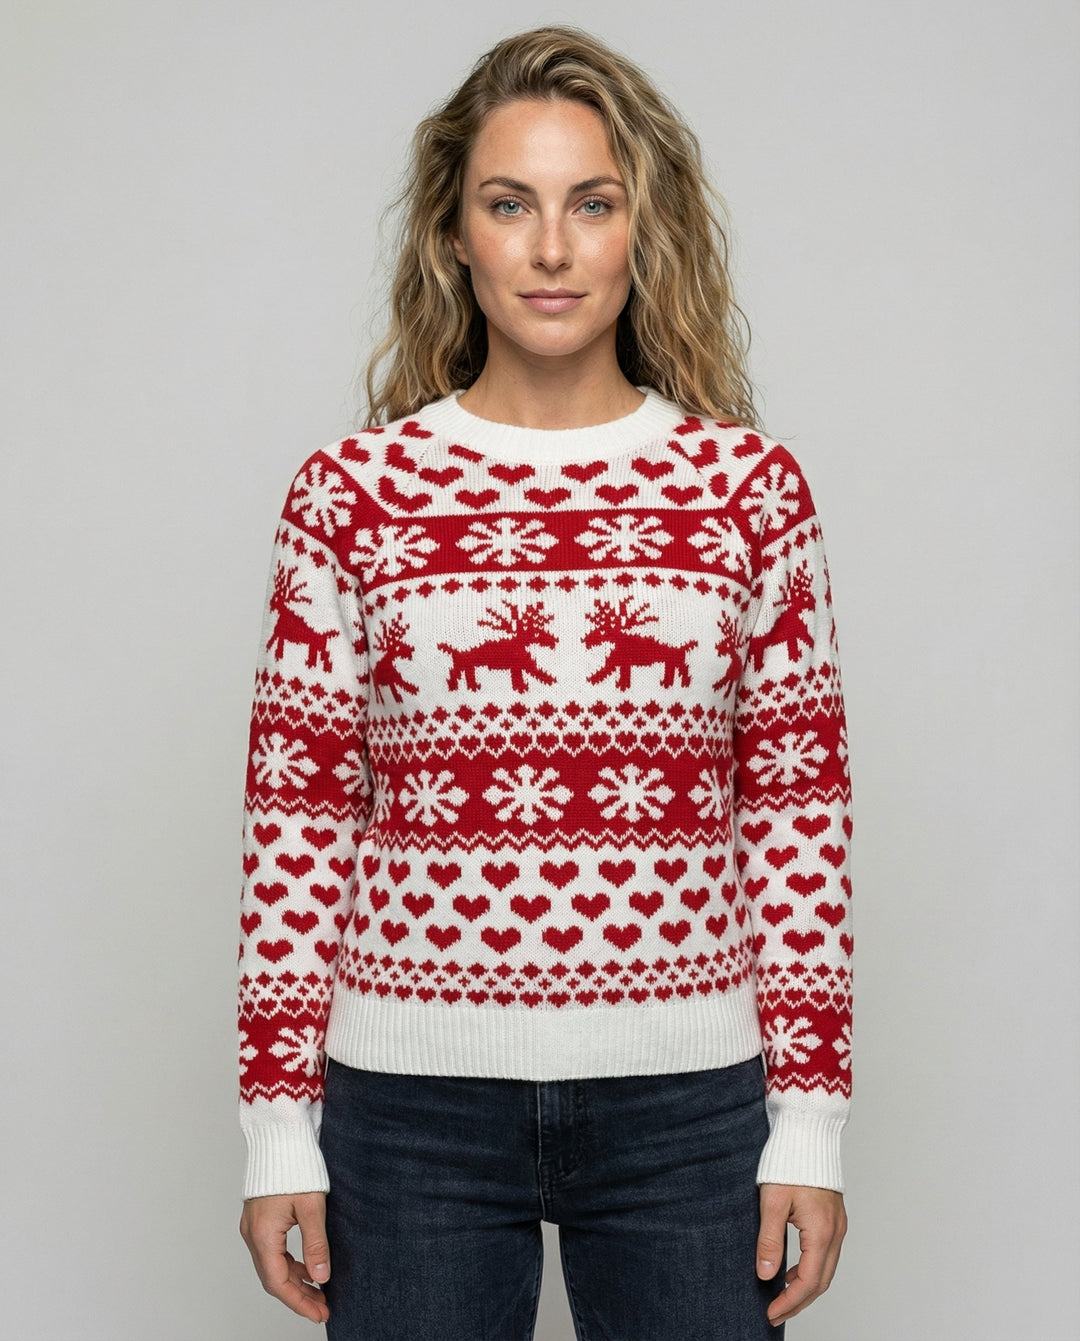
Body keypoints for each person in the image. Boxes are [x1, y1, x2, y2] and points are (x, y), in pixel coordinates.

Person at [237, 24, 852, 1340]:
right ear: (454, 237)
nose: (553, 248)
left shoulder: (746, 493)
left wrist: (810, 1124)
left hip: (688, 1108)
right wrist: (277, 1130)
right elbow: (298, 819)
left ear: (644, 231)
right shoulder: (353, 496)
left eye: (594, 204)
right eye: (510, 205)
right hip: (410, 1111)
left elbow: (798, 817)